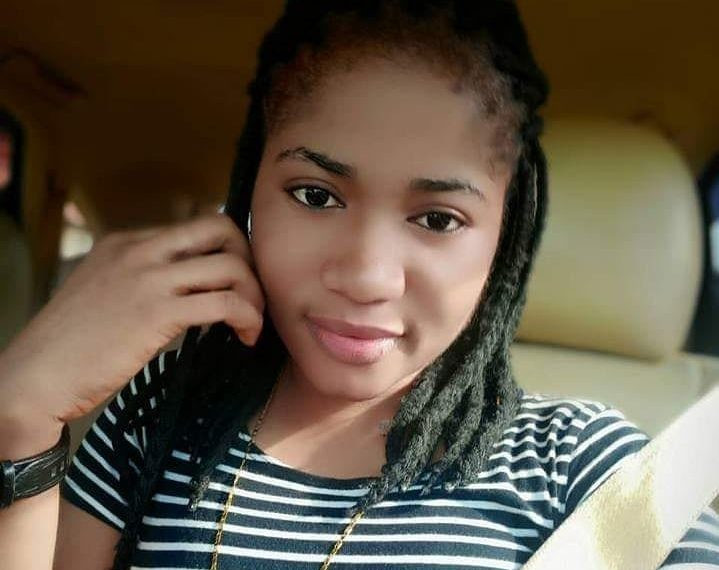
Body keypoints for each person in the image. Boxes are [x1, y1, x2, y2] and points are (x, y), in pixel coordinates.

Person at [1, 1, 718, 569]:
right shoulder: (155, 419)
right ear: (251, 195)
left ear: (504, 239)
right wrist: (20, 414)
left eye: (437, 218)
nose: (367, 277)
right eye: (315, 195)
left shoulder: (582, 467)